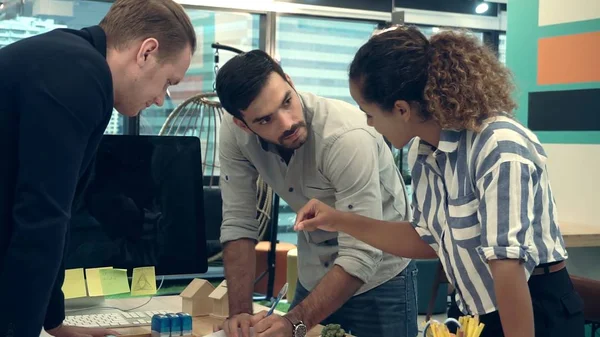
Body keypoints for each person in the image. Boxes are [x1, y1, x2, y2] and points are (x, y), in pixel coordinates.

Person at [294, 25, 585, 337]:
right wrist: (338, 220)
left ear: (401, 109)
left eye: (368, 113)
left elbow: (508, 267)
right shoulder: (425, 151)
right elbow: (426, 239)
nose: (368, 124)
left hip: (532, 310)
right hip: (475, 309)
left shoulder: (498, 146)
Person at [0, 0, 196, 336]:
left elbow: (58, 211)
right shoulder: (80, 74)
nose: (162, 99)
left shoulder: (71, 60)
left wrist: (54, 322)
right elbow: (41, 216)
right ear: (146, 52)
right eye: (168, 82)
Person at [214, 50, 417, 337]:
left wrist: (294, 321)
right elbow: (238, 221)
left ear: (290, 81)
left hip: (381, 280)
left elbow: (361, 252)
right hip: (314, 275)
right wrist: (240, 313)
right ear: (242, 124)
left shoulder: (345, 136)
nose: (287, 123)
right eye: (265, 120)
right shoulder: (234, 133)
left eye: (287, 101)